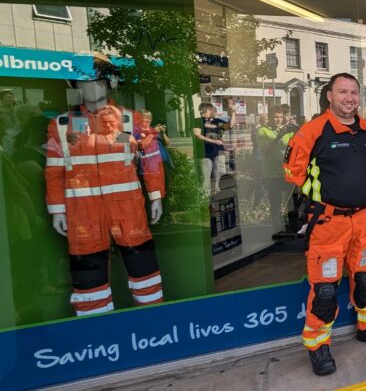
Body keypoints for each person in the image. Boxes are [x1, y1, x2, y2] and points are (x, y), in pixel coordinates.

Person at [283, 73, 366, 376]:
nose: (349, 98)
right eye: (342, 92)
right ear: (329, 96)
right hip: (329, 224)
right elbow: (293, 173)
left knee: (365, 279)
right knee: (325, 291)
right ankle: (319, 346)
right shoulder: (313, 131)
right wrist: (321, 199)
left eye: (354, 93)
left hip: (362, 221)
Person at [45, 78, 166, 316]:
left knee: (142, 265)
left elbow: (150, 158)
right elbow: (54, 171)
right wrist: (57, 209)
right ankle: (96, 330)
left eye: (97, 80)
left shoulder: (129, 119)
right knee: (89, 270)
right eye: (84, 81)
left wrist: (156, 195)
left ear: (108, 83)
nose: (91, 86)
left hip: (128, 209)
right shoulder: (61, 124)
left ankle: (154, 318)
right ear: (75, 86)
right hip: (82, 210)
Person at [257, 109, 290, 226]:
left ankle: (292, 226)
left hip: (287, 172)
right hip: (272, 172)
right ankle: (276, 228)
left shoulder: (288, 132)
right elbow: (264, 150)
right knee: (275, 202)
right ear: (270, 118)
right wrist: (277, 138)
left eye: (280, 117)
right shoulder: (263, 131)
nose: (278, 120)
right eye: (275, 117)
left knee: (291, 202)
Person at [193, 102, 228, 195]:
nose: (202, 111)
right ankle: (205, 198)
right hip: (205, 153)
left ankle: (217, 193)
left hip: (218, 151)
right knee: (206, 176)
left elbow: (229, 126)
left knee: (219, 173)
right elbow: (197, 134)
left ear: (210, 110)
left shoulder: (216, 121)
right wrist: (213, 141)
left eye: (205, 109)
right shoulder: (198, 121)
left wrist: (233, 112)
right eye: (201, 109)